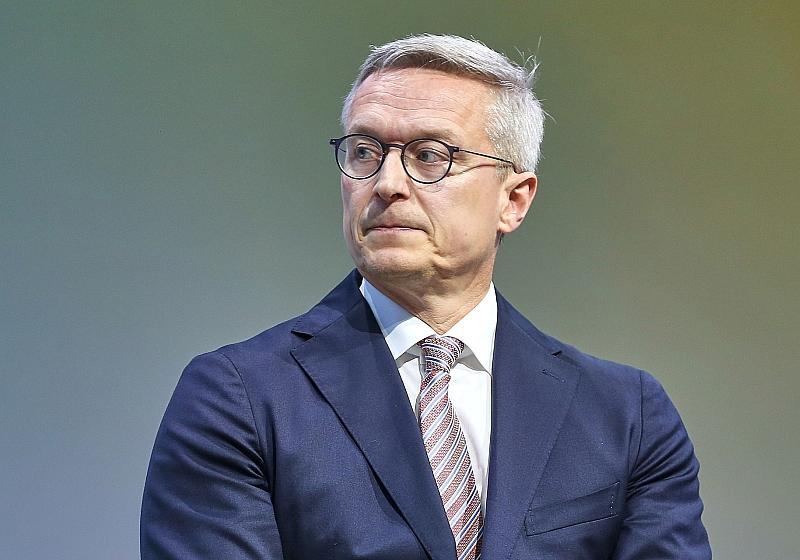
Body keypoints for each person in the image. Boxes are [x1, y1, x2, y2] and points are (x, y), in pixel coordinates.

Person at [141, 34, 711, 559]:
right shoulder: (239, 396)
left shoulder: (624, 413)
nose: (387, 183)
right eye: (365, 151)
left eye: (430, 155)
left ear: (513, 199)